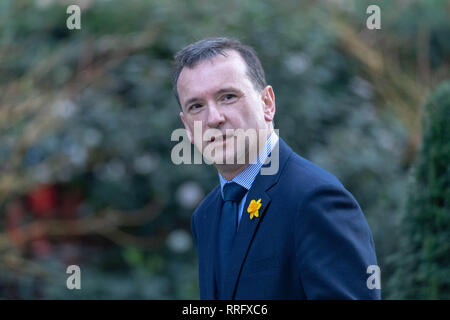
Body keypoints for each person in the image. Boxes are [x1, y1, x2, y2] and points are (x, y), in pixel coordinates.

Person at [172, 37, 381, 300]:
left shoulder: (315, 199)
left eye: (227, 97)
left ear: (267, 103)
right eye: (196, 106)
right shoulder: (205, 216)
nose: (214, 118)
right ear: (188, 128)